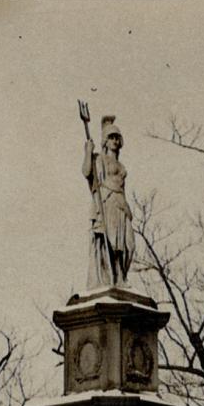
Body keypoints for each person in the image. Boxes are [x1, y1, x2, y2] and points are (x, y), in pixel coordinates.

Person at [80, 107, 133, 288]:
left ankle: (120, 277)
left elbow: (122, 189)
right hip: (107, 201)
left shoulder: (121, 165)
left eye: (117, 137)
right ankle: (109, 277)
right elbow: (87, 172)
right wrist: (88, 151)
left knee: (126, 245)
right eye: (111, 137)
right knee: (109, 242)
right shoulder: (99, 159)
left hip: (120, 204)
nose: (115, 141)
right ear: (105, 140)